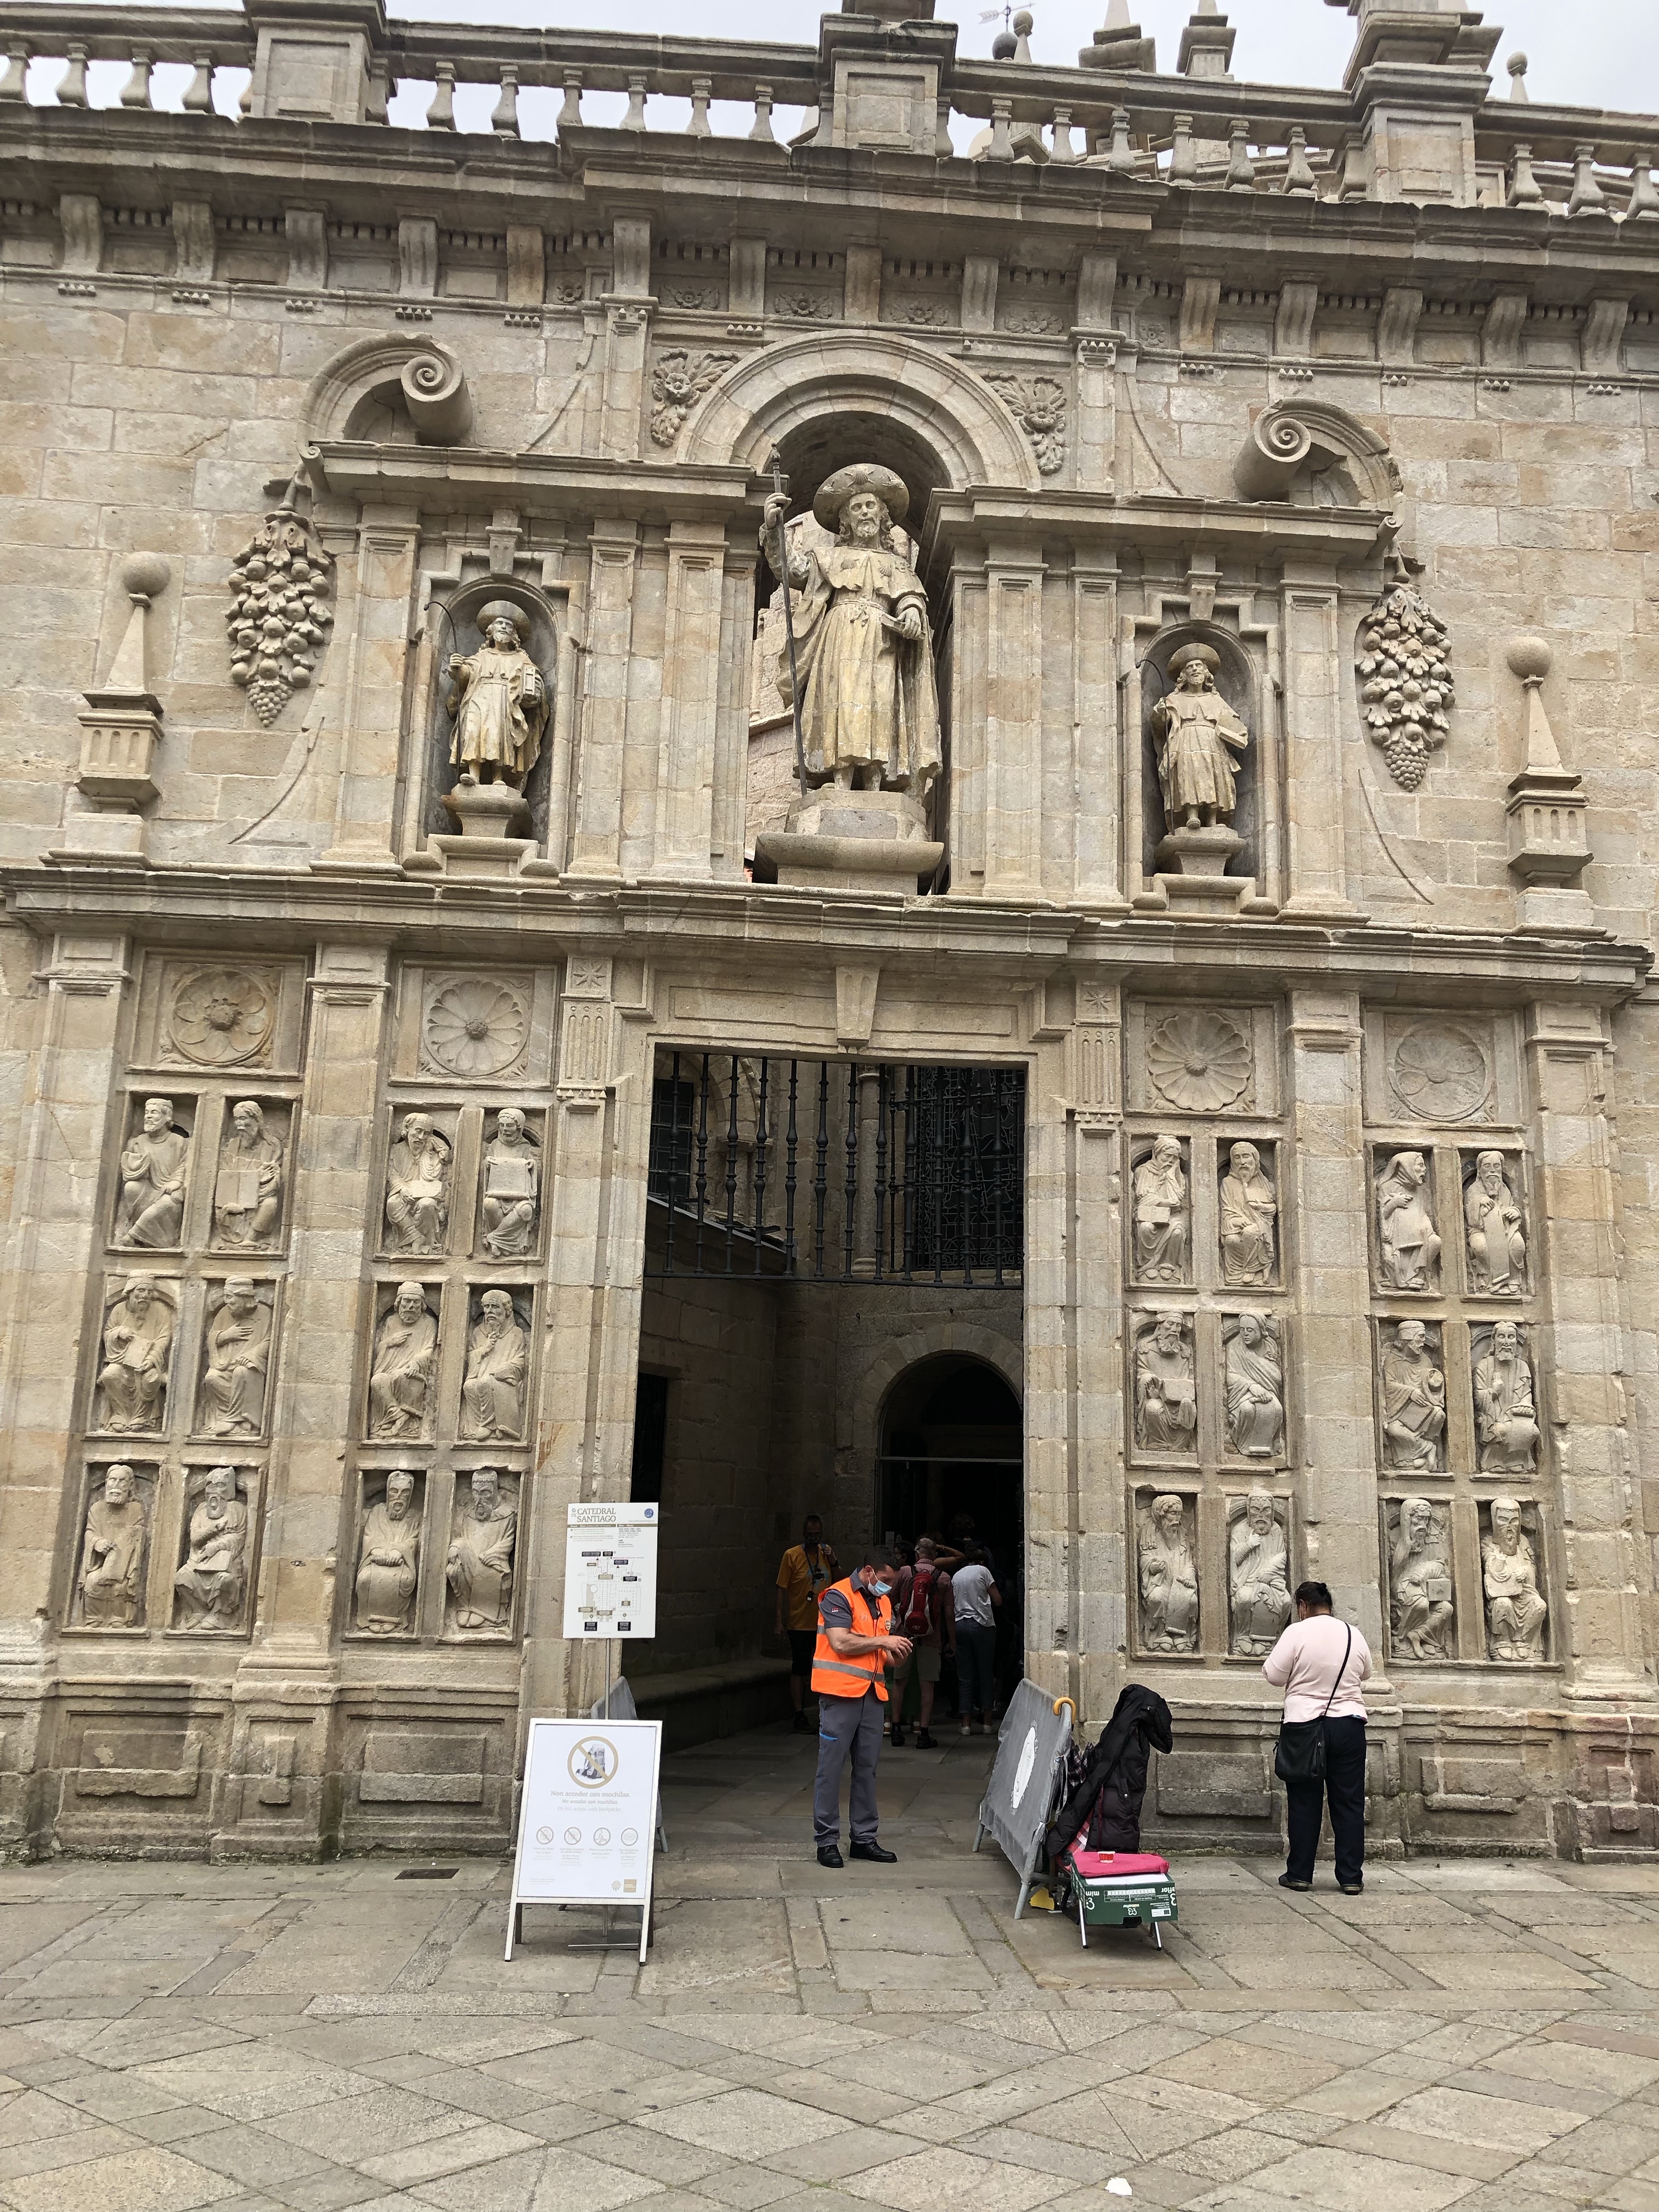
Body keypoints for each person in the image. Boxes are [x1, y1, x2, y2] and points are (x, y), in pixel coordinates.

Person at [1262, 1580, 1372, 1895]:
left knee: (1304, 1801)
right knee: (1349, 1802)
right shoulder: (1353, 1633)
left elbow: (1273, 1675)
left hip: (1305, 1726)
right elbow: (1366, 1673)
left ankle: (1300, 1874)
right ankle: (1351, 1877)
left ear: (1302, 1606)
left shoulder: (1297, 1632)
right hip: (1349, 1725)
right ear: (1329, 1606)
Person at [810, 1548, 912, 1868]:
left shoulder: (882, 1602)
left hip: (872, 1695)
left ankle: (864, 1839)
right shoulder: (837, 1595)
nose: (888, 1587)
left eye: (892, 1582)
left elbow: (881, 1652)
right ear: (868, 1572)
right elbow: (840, 1642)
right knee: (830, 1770)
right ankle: (827, 1841)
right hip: (839, 1695)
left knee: (867, 1770)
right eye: (884, 1580)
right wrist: (884, 1642)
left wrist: (896, 1653)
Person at [775, 1515, 840, 1734]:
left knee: (824, 1667)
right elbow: (781, 1588)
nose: (814, 1539)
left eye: (817, 1535)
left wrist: (833, 1560)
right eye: (810, 1535)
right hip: (800, 1623)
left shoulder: (825, 1554)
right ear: (804, 1534)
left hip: (824, 1623)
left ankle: (825, 1712)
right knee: (800, 1669)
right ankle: (799, 1714)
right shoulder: (792, 1555)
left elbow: (840, 1581)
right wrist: (779, 1621)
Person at [889, 1538, 955, 1749]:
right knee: (927, 1686)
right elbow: (949, 1613)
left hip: (903, 1635)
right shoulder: (943, 1577)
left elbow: (890, 1600)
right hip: (931, 1637)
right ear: (935, 1555)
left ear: (917, 1553)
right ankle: (923, 1733)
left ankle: (896, 1729)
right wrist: (952, 1641)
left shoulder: (904, 1572)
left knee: (899, 1682)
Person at [951, 1545, 1001, 1736]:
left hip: (960, 1625)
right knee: (985, 1673)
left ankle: (966, 1724)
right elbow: (997, 1599)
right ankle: (987, 1722)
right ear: (982, 1561)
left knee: (965, 1676)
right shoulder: (983, 1571)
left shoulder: (957, 1576)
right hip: (982, 1625)